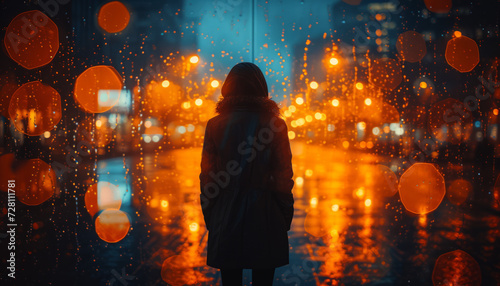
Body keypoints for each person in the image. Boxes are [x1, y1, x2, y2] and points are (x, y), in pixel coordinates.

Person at [199, 62, 294, 286]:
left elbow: (207, 179)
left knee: (230, 280)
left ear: (227, 89)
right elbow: (283, 178)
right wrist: (285, 217)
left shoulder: (215, 125)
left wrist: (212, 217)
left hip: (226, 216)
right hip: (267, 217)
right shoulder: (275, 125)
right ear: (262, 89)